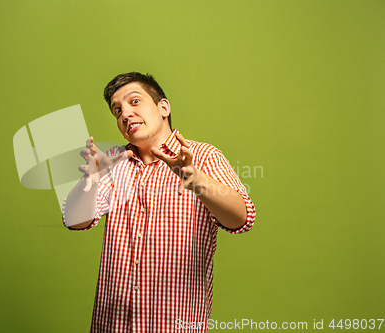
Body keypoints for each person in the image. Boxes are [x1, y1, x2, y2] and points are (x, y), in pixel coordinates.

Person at [62, 72, 256, 333]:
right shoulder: (111, 161)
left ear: (163, 107)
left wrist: (194, 179)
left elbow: (242, 219)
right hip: (112, 326)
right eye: (117, 110)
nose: (125, 114)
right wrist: (94, 178)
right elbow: (74, 221)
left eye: (134, 102)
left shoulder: (202, 156)